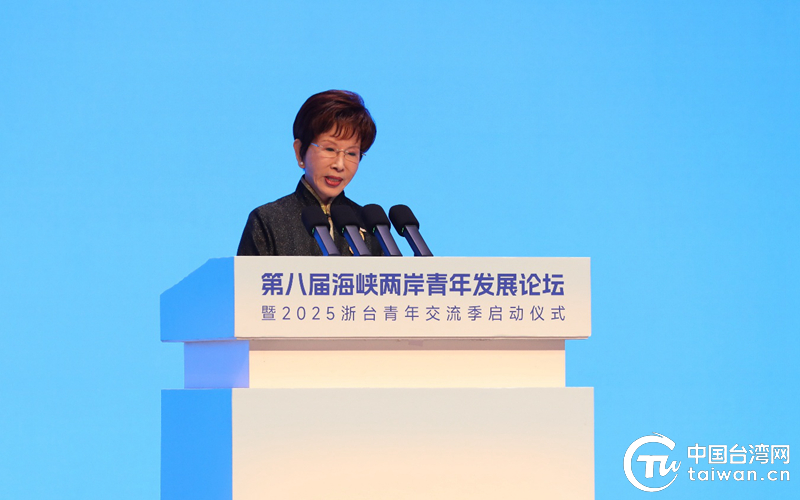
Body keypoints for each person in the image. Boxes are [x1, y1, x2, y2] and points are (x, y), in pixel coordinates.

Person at [237, 90, 383, 256]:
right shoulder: (268, 221)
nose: (340, 165)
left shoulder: (371, 227)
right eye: (330, 149)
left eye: (351, 153)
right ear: (300, 151)